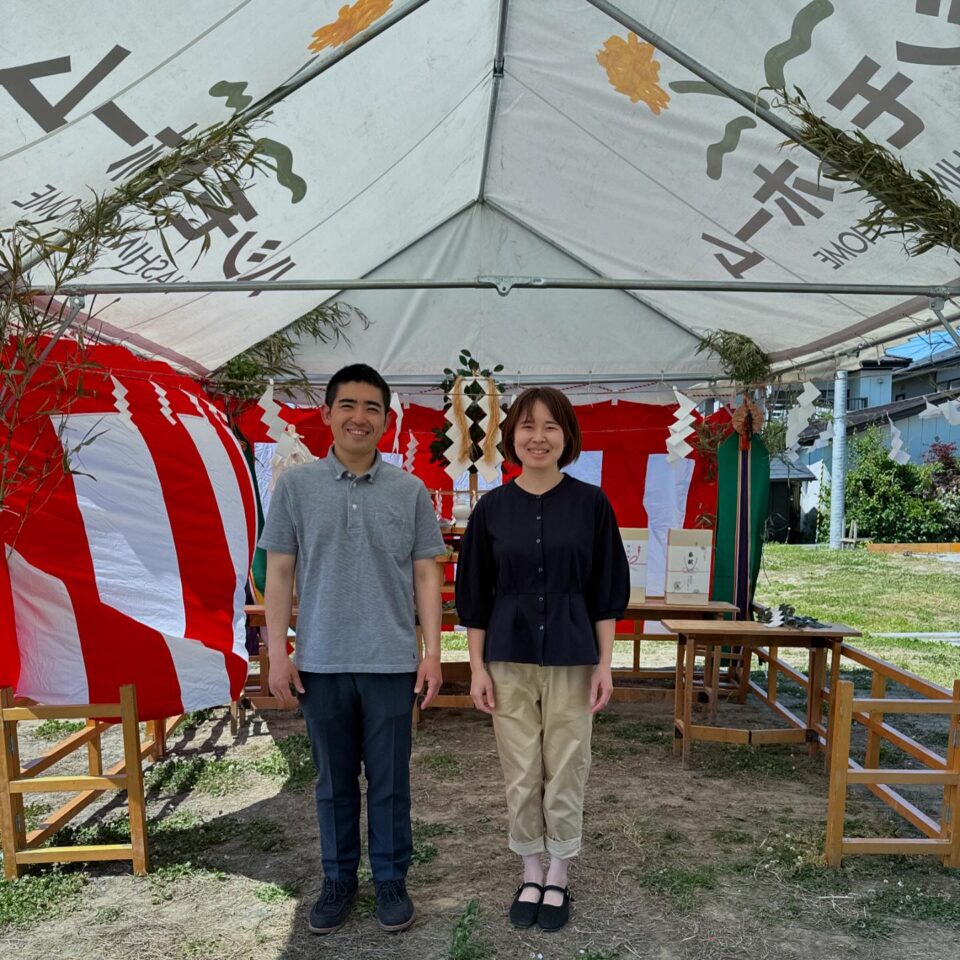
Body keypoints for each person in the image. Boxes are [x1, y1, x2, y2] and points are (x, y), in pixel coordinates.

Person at [260, 363, 444, 936]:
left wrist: (432, 653)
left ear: (386, 421)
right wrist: (277, 653)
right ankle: (338, 880)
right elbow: (280, 573)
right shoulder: (295, 487)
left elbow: (426, 577)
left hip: (391, 662)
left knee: (391, 781)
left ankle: (391, 879)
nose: (359, 417)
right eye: (348, 405)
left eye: (372, 408)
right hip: (321, 662)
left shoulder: (410, 491)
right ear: (327, 415)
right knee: (333, 783)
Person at [455, 387, 629, 933]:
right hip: (507, 656)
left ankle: (560, 872)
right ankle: (530, 867)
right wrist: (476, 667)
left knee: (568, 765)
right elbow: (474, 596)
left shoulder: (592, 504)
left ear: (567, 437)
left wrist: (605, 663)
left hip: (574, 657)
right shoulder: (492, 509)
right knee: (521, 768)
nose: (538, 436)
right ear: (510, 437)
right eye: (527, 426)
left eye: (550, 426)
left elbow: (606, 591)